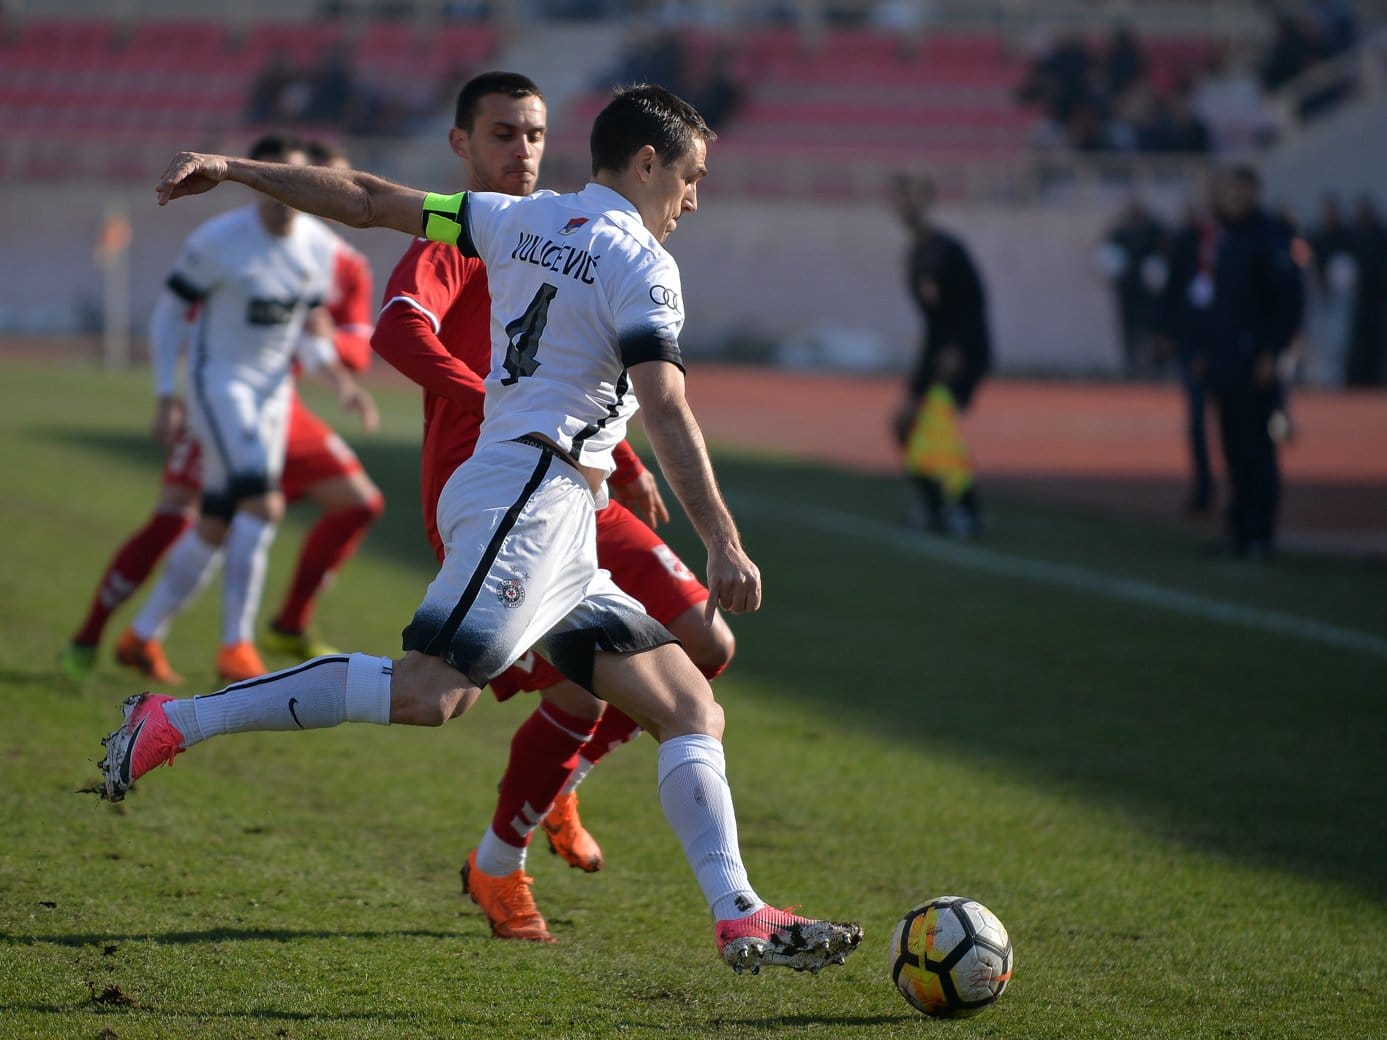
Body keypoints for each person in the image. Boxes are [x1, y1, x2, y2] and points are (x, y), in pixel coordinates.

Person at [98, 85, 862, 975]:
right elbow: (664, 404)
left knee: (689, 703)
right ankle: (176, 718)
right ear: (647, 163)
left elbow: (373, 201)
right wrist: (723, 539)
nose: (693, 198)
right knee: (430, 694)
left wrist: (233, 168)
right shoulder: (643, 265)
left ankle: (740, 915)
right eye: (690, 177)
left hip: (552, 509)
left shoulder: (517, 218)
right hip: (530, 493)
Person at [370, 72, 735, 943]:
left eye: (533, 134)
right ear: (462, 145)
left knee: (705, 642)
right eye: (501, 135)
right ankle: (501, 859)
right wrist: (491, 402)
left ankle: (555, 789)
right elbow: (396, 330)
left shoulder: (567, 230)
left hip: (578, 483)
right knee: (531, 687)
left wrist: (628, 456)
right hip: (493, 487)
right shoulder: (467, 227)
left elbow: (585, 373)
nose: (520, 151)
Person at [58, 139, 384, 682]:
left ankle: (141, 636)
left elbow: (301, 330)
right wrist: (166, 395)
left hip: (275, 397)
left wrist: (340, 383)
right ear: (259, 182)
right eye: (277, 181)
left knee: (214, 520)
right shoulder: (220, 241)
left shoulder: (318, 249)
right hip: (221, 386)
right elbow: (168, 316)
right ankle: (236, 647)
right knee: (261, 506)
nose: (288, 197)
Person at [1202, 166, 1305, 559]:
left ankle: (1260, 533)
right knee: (1230, 448)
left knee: (1257, 450)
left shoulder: (1270, 236)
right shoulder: (1227, 236)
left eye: (1242, 192)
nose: (1235, 199)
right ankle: (1239, 530)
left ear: (1255, 193)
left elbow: (1288, 302)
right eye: (1230, 192)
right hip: (1226, 363)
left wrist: (1272, 352)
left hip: (1254, 364)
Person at [890, 175, 991, 536]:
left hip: (961, 350)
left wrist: (956, 350)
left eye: (911, 198)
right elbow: (933, 317)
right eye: (899, 198)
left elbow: (966, 309)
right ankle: (935, 505)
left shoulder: (944, 249)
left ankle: (968, 511)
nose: (904, 205)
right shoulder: (916, 253)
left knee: (935, 429)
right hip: (936, 350)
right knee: (905, 425)